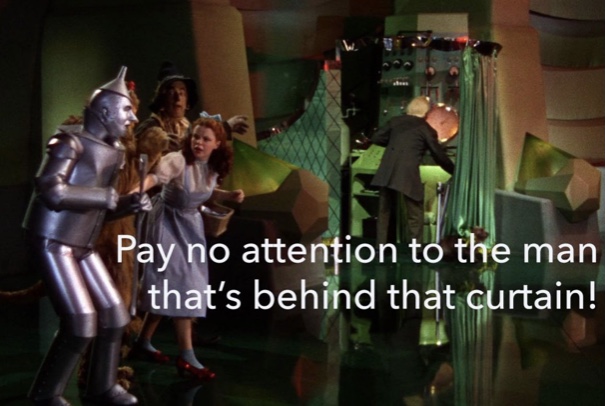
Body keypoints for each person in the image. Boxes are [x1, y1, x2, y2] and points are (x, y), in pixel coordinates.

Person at [23, 67, 151, 406]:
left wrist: (127, 204)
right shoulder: (69, 141)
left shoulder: (116, 150)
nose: (133, 117)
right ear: (106, 111)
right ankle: (46, 395)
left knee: (115, 315)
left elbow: (102, 210)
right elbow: (50, 189)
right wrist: (104, 197)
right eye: (127, 110)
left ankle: (102, 386)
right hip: (53, 240)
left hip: (83, 242)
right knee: (81, 322)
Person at [134, 117, 244, 381]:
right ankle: (186, 355)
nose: (199, 142)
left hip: (190, 225)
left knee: (176, 285)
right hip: (166, 223)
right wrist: (132, 191)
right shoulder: (177, 160)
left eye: (206, 139)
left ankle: (142, 342)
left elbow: (205, 192)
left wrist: (228, 196)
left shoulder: (212, 166)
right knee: (181, 285)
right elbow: (154, 178)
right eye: (196, 136)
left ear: (217, 144)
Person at [370, 95, 455, 246]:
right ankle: (416, 249)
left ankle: (380, 247)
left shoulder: (395, 121)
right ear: (426, 113)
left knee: (384, 211)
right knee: (415, 212)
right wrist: (454, 170)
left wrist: (395, 145)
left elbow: (376, 138)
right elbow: (438, 154)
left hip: (387, 170)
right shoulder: (425, 128)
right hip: (407, 173)